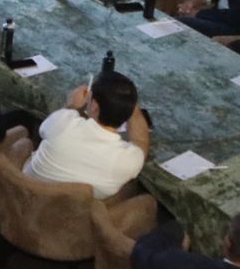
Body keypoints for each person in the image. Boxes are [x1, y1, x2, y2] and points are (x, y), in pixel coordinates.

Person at [24, 71, 149, 200]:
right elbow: (141, 142)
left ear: (94, 106)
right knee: (143, 198)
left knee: (24, 142)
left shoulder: (63, 123)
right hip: (73, 210)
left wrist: (72, 105)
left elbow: (46, 129)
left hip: (26, 194)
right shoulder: (126, 160)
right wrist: (131, 107)